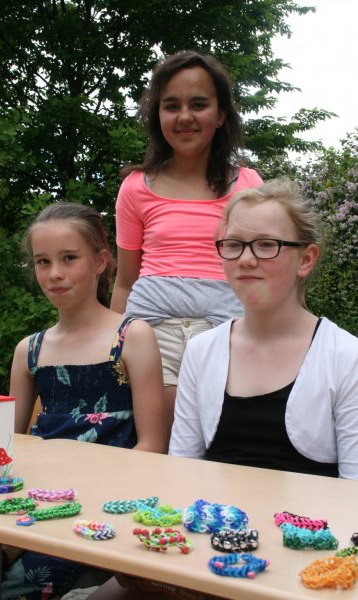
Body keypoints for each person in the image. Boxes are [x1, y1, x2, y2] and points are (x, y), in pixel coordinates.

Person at [7, 201, 167, 600]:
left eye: (69, 258)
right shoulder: (29, 350)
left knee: (20, 584)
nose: (55, 274)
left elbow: (152, 445)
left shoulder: (132, 337)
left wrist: (91, 498)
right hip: (36, 498)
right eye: (43, 262)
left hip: (106, 503)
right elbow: (8, 446)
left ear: (100, 261)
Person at [110, 50, 262, 433]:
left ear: (220, 115)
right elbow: (125, 281)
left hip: (228, 333)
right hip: (149, 334)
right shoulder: (135, 188)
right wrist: (109, 349)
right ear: (158, 115)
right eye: (171, 106)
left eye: (198, 104)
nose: (184, 117)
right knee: (153, 443)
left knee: (221, 442)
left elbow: (268, 272)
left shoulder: (249, 186)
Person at [169, 178, 358, 479]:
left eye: (267, 245)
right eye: (234, 245)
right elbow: (183, 471)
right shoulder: (201, 351)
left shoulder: (346, 357)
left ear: (305, 259)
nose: (246, 260)